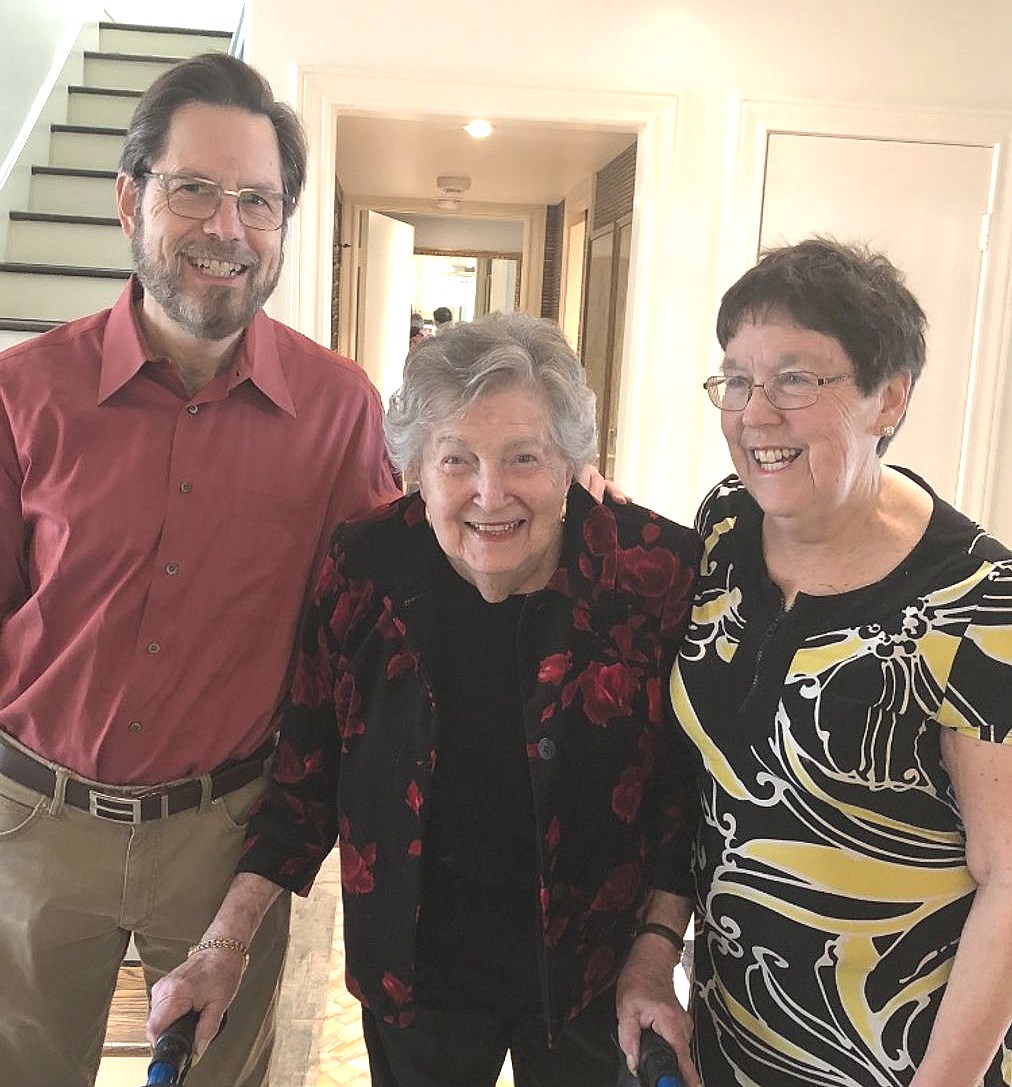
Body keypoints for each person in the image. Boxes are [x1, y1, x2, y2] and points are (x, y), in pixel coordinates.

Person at [146, 312, 701, 1086]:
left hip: (597, 975)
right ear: (415, 469)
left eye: (524, 457)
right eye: (456, 459)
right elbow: (306, 780)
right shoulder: (366, 565)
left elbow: (685, 793)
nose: (490, 493)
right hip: (415, 976)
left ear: (574, 462)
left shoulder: (653, 570)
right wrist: (223, 944)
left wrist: (657, 949)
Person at [0, 53, 399, 1087]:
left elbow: (372, 621)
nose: (228, 227)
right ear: (128, 198)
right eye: (193, 189)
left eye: (257, 200)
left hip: (225, 835)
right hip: (32, 822)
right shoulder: (23, 393)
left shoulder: (339, 409)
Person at [618, 238, 1012, 1086]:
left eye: (794, 379)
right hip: (729, 1035)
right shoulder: (727, 525)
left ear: (888, 397)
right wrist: (657, 944)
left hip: (898, 1060)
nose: (755, 414)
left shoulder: (982, 601)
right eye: (736, 379)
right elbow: (705, 780)